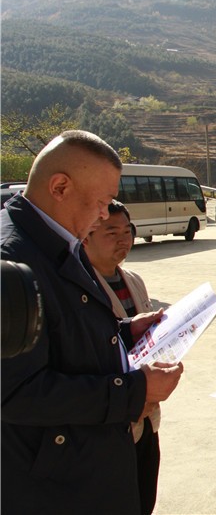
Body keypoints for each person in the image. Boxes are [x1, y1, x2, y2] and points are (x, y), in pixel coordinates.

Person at [0, 130, 183, 514]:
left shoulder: (61, 239)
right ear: (60, 187)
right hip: (54, 489)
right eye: (100, 202)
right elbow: (15, 393)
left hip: (87, 470)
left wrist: (123, 333)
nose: (104, 214)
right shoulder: (11, 263)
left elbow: (62, 336)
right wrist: (134, 391)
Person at [83, 200, 162, 515]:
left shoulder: (134, 280)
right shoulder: (81, 287)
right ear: (86, 236)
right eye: (111, 232)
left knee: (145, 497)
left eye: (127, 231)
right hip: (112, 417)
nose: (123, 240)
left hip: (146, 414)